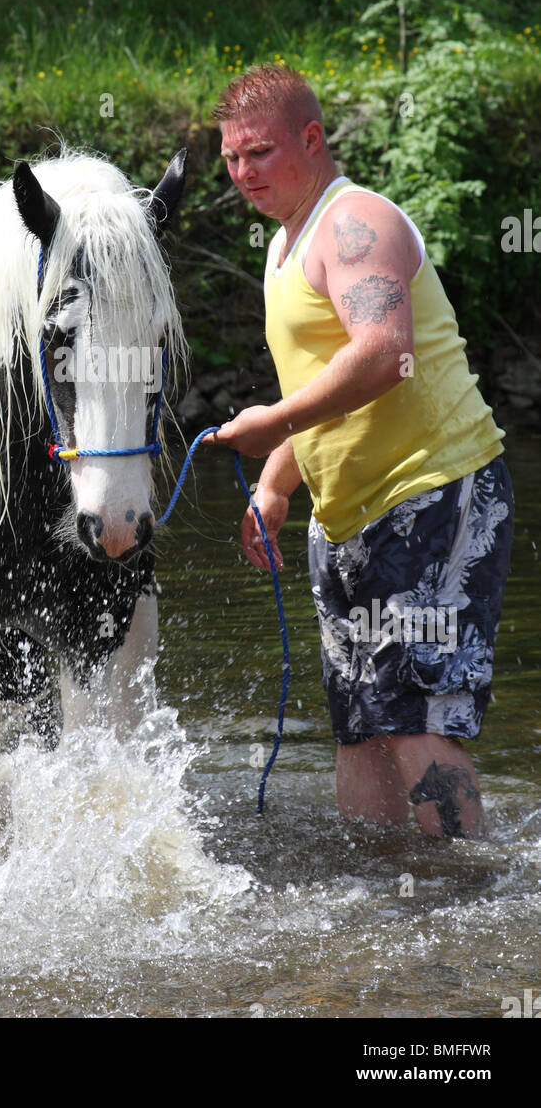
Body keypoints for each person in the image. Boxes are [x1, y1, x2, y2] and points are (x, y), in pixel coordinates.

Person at [205, 64, 514, 839]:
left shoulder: (355, 223)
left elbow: (383, 352)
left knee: (414, 713)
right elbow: (324, 383)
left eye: (260, 153)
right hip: (345, 519)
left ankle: (471, 905)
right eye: (232, 158)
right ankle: (377, 901)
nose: (243, 172)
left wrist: (270, 422)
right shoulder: (284, 250)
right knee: (360, 726)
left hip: (437, 492)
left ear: (311, 139)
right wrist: (277, 484)